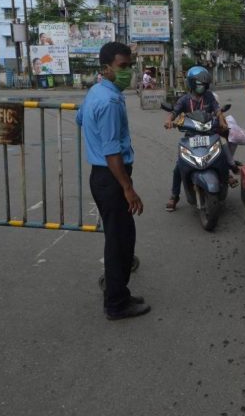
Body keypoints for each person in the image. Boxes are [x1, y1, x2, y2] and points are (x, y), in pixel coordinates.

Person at [76, 42, 149, 321]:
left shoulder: (97, 91)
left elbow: (80, 118)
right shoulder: (109, 101)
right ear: (106, 68)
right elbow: (111, 152)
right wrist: (128, 188)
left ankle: (113, 283)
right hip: (111, 177)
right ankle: (116, 303)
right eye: (122, 67)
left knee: (120, 235)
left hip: (104, 178)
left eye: (129, 66)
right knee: (119, 239)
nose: (127, 72)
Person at [164, 65, 234, 212]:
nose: (202, 87)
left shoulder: (209, 96)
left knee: (221, 154)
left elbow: (217, 110)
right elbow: (174, 112)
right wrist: (169, 120)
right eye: (199, 84)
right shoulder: (184, 100)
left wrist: (221, 121)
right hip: (191, 136)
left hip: (209, 134)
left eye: (204, 84)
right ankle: (174, 196)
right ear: (191, 83)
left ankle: (227, 175)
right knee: (179, 167)